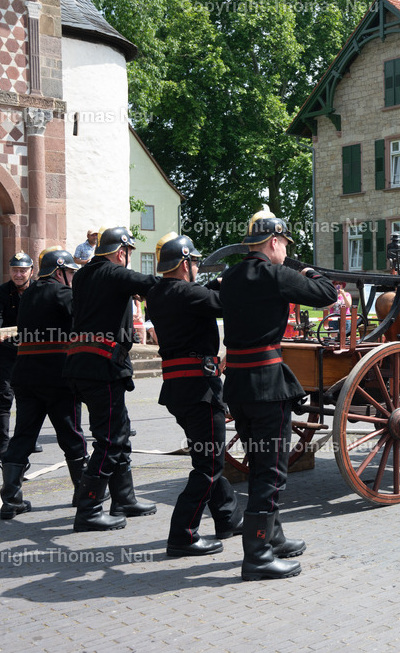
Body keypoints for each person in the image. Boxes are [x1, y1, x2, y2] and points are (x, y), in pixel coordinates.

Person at [221, 211, 337, 580]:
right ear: (274, 241)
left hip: (238, 384)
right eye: (285, 245)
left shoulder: (232, 276)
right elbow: (327, 295)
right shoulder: (276, 275)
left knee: (259, 466)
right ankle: (257, 556)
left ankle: (273, 537)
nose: (286, 252)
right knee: (270, 473)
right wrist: (307, 273)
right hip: (267, 386)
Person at [145, 233, 242, 557]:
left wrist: (217, 280)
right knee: (209, 466)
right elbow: (222, 302)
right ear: (184, 262)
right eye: (195, 262)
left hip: (177, 390)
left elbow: (202, 294)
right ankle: (182, 535)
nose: (197, 267)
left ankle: (227, 517)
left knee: (207, 458)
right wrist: (236, 278)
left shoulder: (159, 292)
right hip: (200, 390)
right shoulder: (188, 293)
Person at [66, 226, 159, 533]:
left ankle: (124, 498)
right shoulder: (114, 273)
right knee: (110, 439)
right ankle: (89, 507)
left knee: (119, 430)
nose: (128, 260)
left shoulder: (82, 275)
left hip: (82, 363)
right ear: (122, 252)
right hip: (102, 366)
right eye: (129, 254)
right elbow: (152, 284)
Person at [0, 247, 88, 519]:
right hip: (58, 377)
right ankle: (84, 494)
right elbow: (82, 322)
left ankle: (11, 500)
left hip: (25, 377)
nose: (71, 277)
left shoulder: (29, 295)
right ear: (59, 270)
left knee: (23, 437)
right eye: (70, 272)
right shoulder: (63, 293)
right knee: (72, 435)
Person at [0, 252, 35, 460]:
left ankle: (26, 441)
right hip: (6, 351)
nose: (18, 274)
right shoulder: (0, 292)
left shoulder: (38, 291)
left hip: (33, 353)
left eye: (22, 270)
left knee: (31, 398)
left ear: (31, 271)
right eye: (15, 270)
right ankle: (3, 443)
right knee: (5, 395)